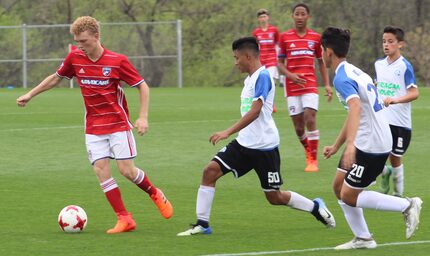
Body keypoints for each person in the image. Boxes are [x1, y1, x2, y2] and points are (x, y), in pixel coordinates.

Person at [16, 16, 173, 234]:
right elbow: (56, 77)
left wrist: (143, 116)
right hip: (93, 126)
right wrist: (30, 94)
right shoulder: (75, 57)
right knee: (101, 171)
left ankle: (154, 192)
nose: (80, 46)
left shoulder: (117, 61)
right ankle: (124, 218)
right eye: (77, 42)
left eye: (84, 41)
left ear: (97, 37)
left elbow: (142, 86)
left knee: (126, 171)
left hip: (118, 124)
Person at [177, 36, 335, 236]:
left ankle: (315, 207)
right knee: (209, 172)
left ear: (248, 56)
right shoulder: (249, 79)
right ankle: (203, 224)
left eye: (237, 58)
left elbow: (255, 111)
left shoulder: (263, 77)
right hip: (244, 144)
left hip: (264, 147)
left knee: (274, 197)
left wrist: (226, 132)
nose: (235, 63)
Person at [321, 27, 422, 250]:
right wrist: (338, 145)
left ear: (328, 52)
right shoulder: (355, 71)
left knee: (349, 195)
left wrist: (350, 146)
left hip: (372, 144)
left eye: (321, 50)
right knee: (338, 186)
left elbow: (356, 107)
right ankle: (363, 238)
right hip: (366, 139)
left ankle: (407, 205)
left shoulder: (341, 78)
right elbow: (355, 112)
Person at [278, 3, 332, 172]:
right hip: (292, 86)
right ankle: (308, 150)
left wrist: (328, 85)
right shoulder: (285, 37)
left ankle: (312, 160)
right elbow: (279, 63)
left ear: (308, 17)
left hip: (309, 84)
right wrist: (290, 75)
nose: (300, 17)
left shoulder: (315, 38)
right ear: (292, 16)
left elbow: (321, 62)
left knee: (310, 117)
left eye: (303, 14)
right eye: (297, 14)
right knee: (299, 128)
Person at [375, 26, 419, 197]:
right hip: (382, 119)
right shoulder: (378, 65)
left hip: (400, 122)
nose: (386, 45)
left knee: (395, 158)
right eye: (384, 41)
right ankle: (384, 174)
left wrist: (395, 100)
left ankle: (398, 195)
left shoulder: (405, 66)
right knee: (374, 154)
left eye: (391, 41)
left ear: (400, 44)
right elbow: (378, 86)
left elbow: (414, 93)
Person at [252, 8, 280, 112]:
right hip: (261, 60)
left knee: (270, 80)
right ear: (258, 20)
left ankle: (272, 104)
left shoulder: (274, 30)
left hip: (272, 59)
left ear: (268, 17)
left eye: (264, 16)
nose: (263, 19)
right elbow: (254, 47)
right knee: (261, 81)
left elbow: (278, 44)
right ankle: (263, 102)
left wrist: (278, 58)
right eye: (260, 17)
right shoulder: (256, 32)